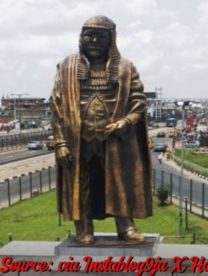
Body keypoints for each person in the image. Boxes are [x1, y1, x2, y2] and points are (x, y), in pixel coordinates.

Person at [50, 15, 152, 245]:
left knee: (119, 183)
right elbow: (56, 106)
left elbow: (139, 102)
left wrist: (124, 123)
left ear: (111, 39)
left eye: (100, 36)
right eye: (89, 35)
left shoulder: (125, 68)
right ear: (81, 37)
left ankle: (126, 227)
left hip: (115, 140)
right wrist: (60, 142)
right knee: (80, 185)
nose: (94, 40)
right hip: (79, 139)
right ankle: (84, 229)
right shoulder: (67, 67)